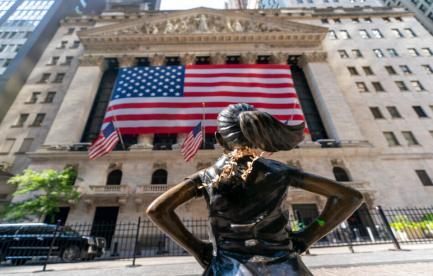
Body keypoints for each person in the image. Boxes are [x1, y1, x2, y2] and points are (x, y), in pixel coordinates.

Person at [147, 103, 364, 275]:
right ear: (259, 136)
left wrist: (198, 249)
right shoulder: (281, 172)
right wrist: (309, 234)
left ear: (219, 138)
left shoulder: (206, 177)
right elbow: (350, 197)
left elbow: (157, 210)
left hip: (228, 268)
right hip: (285, 267)